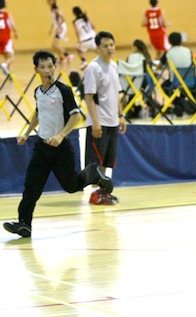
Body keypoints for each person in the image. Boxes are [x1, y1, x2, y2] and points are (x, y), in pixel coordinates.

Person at [3, 50, 113, 238]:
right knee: (31, 186)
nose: (47, 70)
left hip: (61, 149)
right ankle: (24, 224)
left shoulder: (63, 90)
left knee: (71, 186)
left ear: (55, 66)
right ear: (36, 69)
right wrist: (26, 133)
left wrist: (61, 135)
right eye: (43, 67)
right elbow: (39, 113)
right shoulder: (38, 92)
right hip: (42, 148)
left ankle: (93, 173)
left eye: (50, 66)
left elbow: (77, 116)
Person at [83, 31, 126, 205]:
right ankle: (94, 193)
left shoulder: (114, 66)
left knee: (108, 160)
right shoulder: (94, 68)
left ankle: (104, 191)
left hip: (113, 121)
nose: (110, 48)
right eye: (106, 45)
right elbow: (89, 96)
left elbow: (116, 93)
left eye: (112, 45)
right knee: (96, 161)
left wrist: (121, 115)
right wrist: (95, 122)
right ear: (98, 48)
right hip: (99, 122)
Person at [72, 6, 96, 70]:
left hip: (84, 40)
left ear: (74, 13)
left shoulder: (75, 22)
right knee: (98, 51)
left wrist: (79, 41)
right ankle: (104, 60)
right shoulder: (86, 18)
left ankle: (84, 61)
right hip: (93, 38)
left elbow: (77, 32)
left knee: (78, 50)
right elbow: (94, 27)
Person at [0, 0, 18, 75]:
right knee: (11, 57)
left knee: (7, 56)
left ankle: (9, 74)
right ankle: (4, 64)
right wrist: (16, 32)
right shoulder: (7, 14)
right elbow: (13, 25)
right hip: (6, 38)